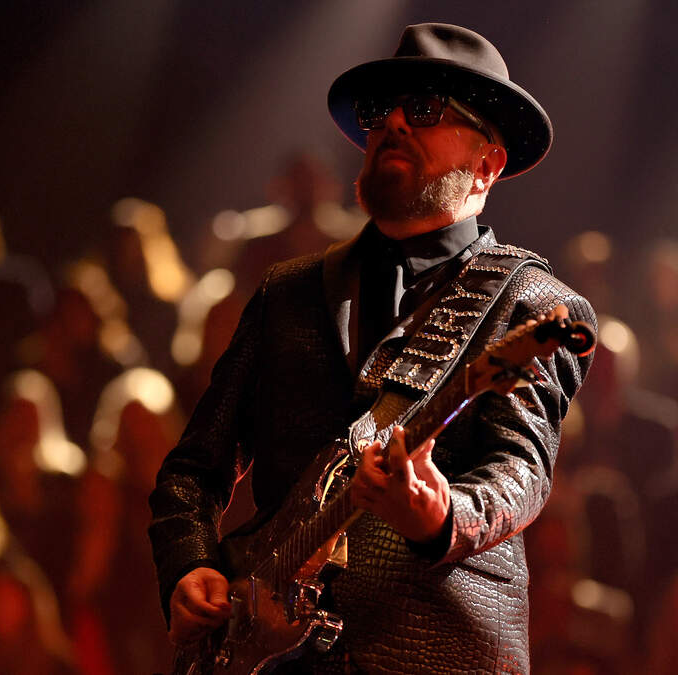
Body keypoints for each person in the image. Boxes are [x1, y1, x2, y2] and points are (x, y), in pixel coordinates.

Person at [149, 23, 596, 672]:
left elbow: (519, 470)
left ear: (488, 165)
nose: (393, 121)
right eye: (382, 109)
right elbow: (193, 469)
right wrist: (188, 563)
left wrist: (443, 515)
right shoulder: (288, 290)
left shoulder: (529, 305)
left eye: (425, 108)